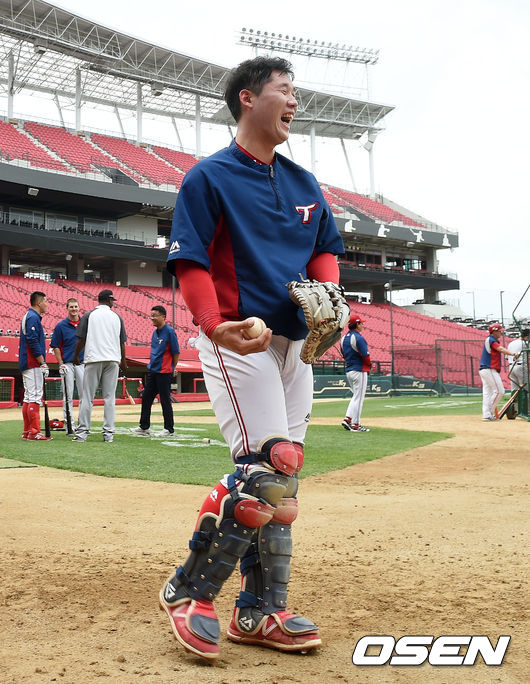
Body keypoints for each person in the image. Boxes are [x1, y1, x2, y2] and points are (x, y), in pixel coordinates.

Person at [159, 56, 344, 660]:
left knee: (283, 486)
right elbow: (189, 261)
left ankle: (260, 611)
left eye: (295, 92)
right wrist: (214, 326)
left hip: (295, 344)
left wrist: (331, 301)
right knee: (267, 469)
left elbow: (323, 251)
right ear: (247, 97)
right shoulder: (209, 177)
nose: (294, 102)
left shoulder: (304, 183)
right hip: (241, 337)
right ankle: (190, 592)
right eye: (284, 90)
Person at [72, 289, 127, 443]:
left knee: (87, 397)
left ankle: (82, 433)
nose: (113, 303)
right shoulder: (117, 317)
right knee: (109, 398)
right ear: (109, 300)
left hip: (94, 358)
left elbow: (81, 339)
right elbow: (122, 342)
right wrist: (123, 361)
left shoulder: (89, 315)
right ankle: (108, 434)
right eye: (112, 300)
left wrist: (76, 356)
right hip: (113, 359)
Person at [129, 305, 180, 437]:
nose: (152, 318)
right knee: (146, 397)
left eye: (155, 315)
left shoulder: (170, 332)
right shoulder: (154, 332)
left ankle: (169, 429)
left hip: (164, 372)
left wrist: (173, 367)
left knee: (165, 400)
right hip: (153, 371)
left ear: (163, 317)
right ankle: (144, 427)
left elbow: (176, 352)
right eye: (151, 315)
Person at [18, 290, 52, 440]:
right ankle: (34, 432)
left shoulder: (29, 316)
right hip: (32, 362)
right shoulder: (33, 317)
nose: (46, 304)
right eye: (45, 301)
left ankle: (27, 431)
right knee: (35, 396)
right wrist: (42, 362)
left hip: (27, 362)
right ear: (39, 302)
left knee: (28, 396)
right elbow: (32, 340)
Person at [50, 298, 85, 429]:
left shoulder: (85, 324)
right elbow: (55, 346)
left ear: (79, 308)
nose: (74, 309)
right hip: (67, 364)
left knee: (84, 396)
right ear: (67, 308)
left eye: (76, 306)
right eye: (71, 307)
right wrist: (60, 364)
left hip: (82, 363)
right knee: (68, 395)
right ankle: (69, 423)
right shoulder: (61, 325)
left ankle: (83, 424)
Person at [479, 323, 518, 421]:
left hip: (485, 369)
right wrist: (513, 354)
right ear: (494, 331)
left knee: (487, 393)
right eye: (500, 331)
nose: (501, 333)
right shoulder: (491, 339)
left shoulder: (490, 339)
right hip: (489, 369)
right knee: (500, 391)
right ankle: (488, 413)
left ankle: (486, 415)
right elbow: (500, 349)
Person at [340, 313, 371, 432]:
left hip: (349, 370)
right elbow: (365, 355)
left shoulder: (343, 338)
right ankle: (356, 424)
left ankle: (348, 418)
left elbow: (344, 355)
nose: (363, 325)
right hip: (359, 370)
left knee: (356, 396)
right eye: (361, 323)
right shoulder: (359, 338)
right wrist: (369, 365)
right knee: (359, 398)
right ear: (357, 324)